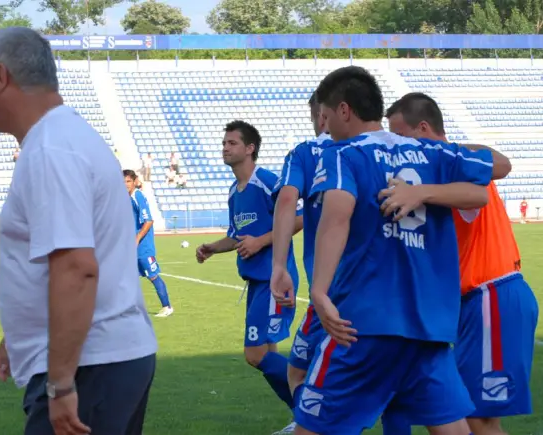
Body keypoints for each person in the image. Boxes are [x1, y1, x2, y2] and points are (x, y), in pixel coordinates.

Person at [293, 66, 510, 435]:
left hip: (364, 325)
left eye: (326, 118)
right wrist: (430, 183)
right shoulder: (429, 151)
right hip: (429, 326)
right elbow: (490, 179)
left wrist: (318, 291)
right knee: (453, 430)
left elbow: (336, 219)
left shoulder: (343, 154)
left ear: (344, 111)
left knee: (311, 429)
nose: (325, 129)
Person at [0, 27, 157, 435]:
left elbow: (77, 267)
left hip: (90, 365)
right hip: (101, 360)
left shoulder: (51, 148)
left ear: (1, 75)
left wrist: (60, 383)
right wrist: (20, 336)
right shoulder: (65, 136)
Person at [386, 91, 538, 435]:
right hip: (472, 304)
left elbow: (499, 166)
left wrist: (420, 192)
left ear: (423, 128)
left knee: (477, 420)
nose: (394, 145)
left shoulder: (455, 166)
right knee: (448, 410)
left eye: (399, 135)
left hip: (492, 296)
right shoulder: (437, 169)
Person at [195, 121, 303, 430]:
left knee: (255, 354)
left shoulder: (267, 181)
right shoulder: (234, 192)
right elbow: (237, 235)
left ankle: (316, 407)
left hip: (274, 279)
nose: (225, 148)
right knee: (267, 354)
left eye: (231, 143)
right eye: (224, 143)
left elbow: (298, 218)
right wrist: (212, 248)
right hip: (256, 283)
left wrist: (261, 241)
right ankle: (303, 419)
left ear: (250, 148)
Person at [270, 92, 333, 435]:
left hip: (331, 293)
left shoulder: (306, 153)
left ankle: (308, 425)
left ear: (322, 115)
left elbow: (286, 200)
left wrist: (278, 265)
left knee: (301, 372)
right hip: (384, 292)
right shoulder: (381, 149)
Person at [124, 169, 173, 317]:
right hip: (132, 246)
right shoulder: (126, 197)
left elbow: (149, 220)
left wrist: (137, 238)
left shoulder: (138, 196)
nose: (125, 184)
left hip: (143, 247)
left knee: (152, 275)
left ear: (134, 181)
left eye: (128, 181)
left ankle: (167, 307)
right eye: (122, 182)